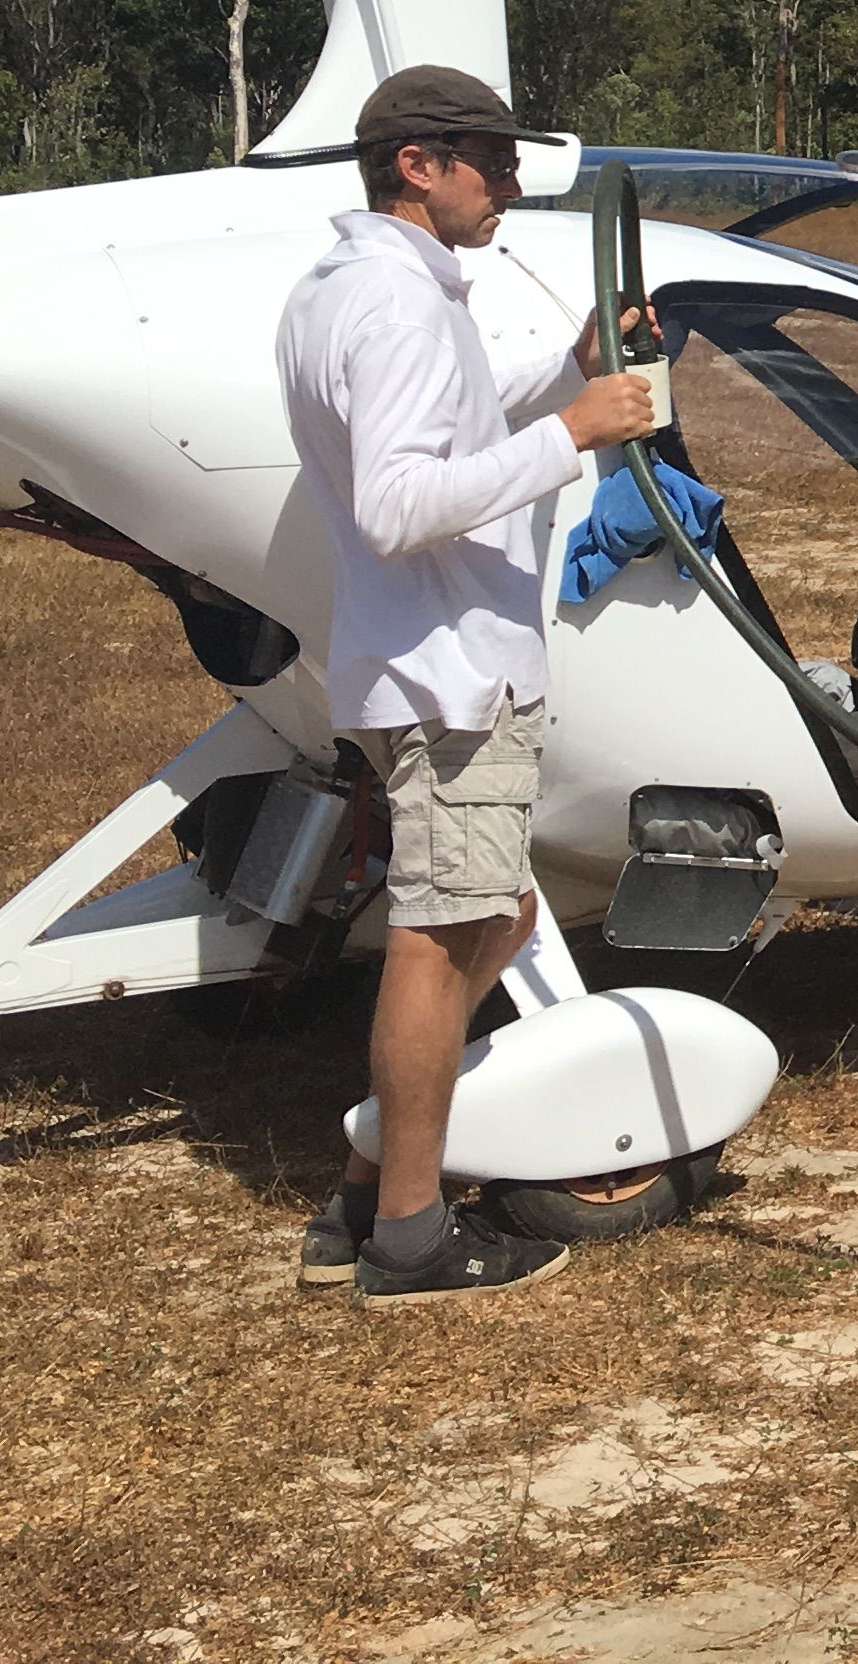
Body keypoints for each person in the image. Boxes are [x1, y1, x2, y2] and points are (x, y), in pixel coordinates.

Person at [278, 66, 664, 1303]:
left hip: (431, 664)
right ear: (416, 166)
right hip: (449, 677)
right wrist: (579, 432)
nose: (506, 185)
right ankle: (406, 1233)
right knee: (444, 942)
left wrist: (567, 373)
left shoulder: (356, 287)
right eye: (486, 162)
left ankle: (370, 1187)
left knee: (488, 922)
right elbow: (399, 503)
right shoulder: (392, 302)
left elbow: (446, 437)